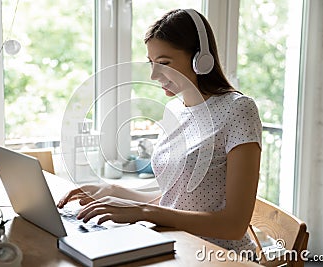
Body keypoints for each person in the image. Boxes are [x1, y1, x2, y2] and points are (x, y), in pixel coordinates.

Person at [58, 9, 262, 254]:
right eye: (151, 63)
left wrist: (144, 212)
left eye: (164, 63)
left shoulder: (238, 109)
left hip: (219, 254)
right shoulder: (174, 109)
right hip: (175, 243)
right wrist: (112, 192)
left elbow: (233, 226)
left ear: (200, 58)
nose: (154, 75)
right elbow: (175, 199)